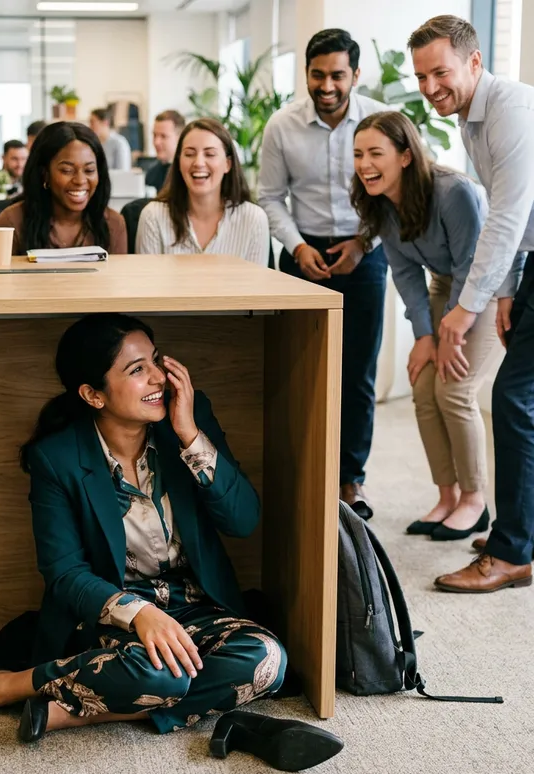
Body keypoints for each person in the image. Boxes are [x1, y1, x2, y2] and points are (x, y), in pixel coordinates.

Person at [0, 313, 343, 770]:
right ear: (93, 394)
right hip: (111, 615)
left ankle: (62, 706)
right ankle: (4, 685)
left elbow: (243, 520)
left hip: (195, 606)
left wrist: (189, 434)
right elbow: (64, 573)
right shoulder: (57, 457)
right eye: (138, 369)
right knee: (161, 675)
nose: (159, 378)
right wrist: (140, 614)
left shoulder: (189, 417)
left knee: (267, 661)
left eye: (156, 361)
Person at [409, 15, 534, 593]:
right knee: (521, 401)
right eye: (421, 77)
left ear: (475, 61)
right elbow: (517, 219)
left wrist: (465, 309)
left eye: (441, 72)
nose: (430, 87)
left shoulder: (509, 110)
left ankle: (512, 553)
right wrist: (506, 291)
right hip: (530, 262)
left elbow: (505, 218)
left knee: (513, 399)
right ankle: (520, 532)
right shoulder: (471, 120)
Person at [352, 110, 503, 541]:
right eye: (358, 154)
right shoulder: (379, 202)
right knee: (422, 386)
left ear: (405, 155)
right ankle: (447, 495)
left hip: (487, 286)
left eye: (375, 153)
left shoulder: (453, 192)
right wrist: (424, 336)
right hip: (445, 283)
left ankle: (474, 500)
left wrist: (452, 334)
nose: (364, 164)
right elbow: (405, 274)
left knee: (453, 389)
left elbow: (472, 266)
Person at [258, 28, 388, 521]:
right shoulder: (282, 125)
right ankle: (301, 470)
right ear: (306, 74)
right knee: (296, 367)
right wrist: (297, 246)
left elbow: (396, 190)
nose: (327, 85)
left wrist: (363, 242)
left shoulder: (380, 121)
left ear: (356, 74)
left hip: (365, 251)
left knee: (357, 373)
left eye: (337, 75)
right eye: (317, 75)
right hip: (302, 253)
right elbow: (270, 196)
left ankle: (350, 480)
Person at [136, 118, 269, 265]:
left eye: (210, 154)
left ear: (227, 164)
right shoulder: (153, 216)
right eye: (189, 154)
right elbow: (148, 279)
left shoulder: (253, 219)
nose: (198, 163)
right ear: (178, 162)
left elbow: (256, 280)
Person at [0, 121, 127, 255]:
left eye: (89, 170)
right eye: (67, 170)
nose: (80, 180)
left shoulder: (113, 224)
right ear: (45, 174)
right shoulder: (12, 222)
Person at [146, 110, 185, 192]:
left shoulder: (186, 174)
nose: (156, 142)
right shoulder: (152, 173)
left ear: (180, 138)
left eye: (163, 136)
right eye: (154, 135)